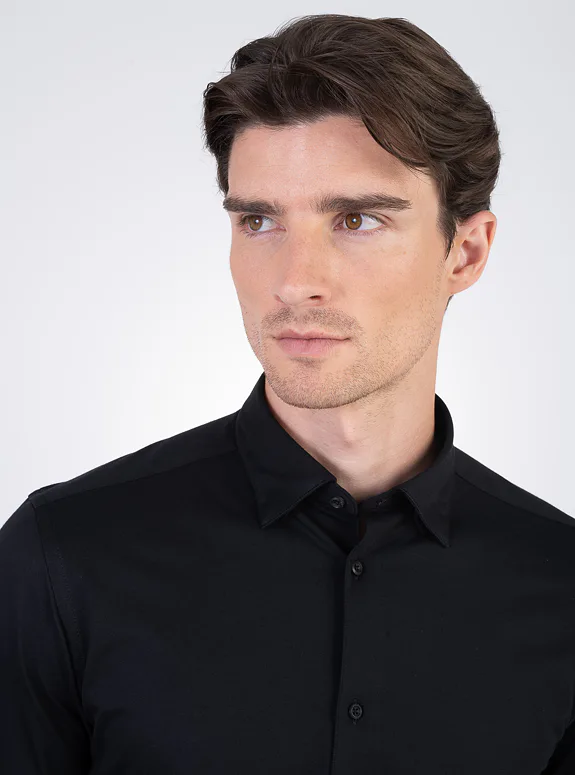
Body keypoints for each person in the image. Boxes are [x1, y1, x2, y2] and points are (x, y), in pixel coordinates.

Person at [1, 13, 574, 774]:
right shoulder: (62, 557)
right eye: (260, 220)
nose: (295, 281)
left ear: (464, 252)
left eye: (356, 219)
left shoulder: (560, 585)